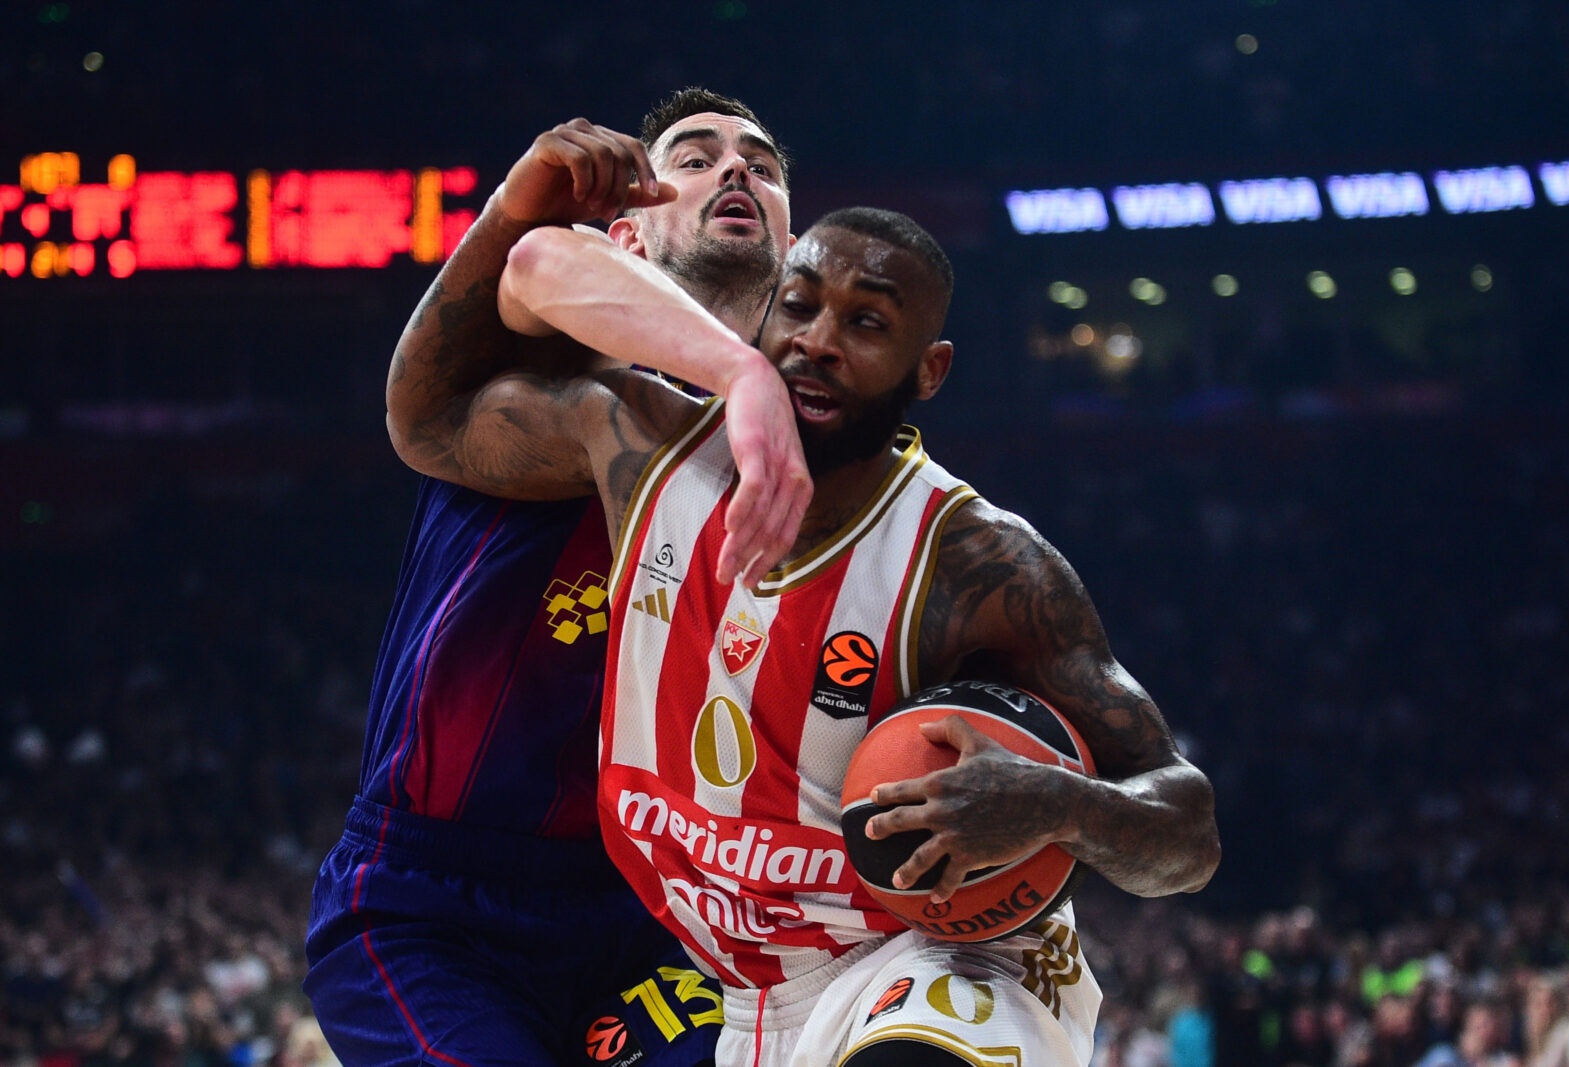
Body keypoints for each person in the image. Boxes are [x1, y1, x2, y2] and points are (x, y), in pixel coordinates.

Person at [491, 206, 1221, 1065]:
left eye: (867, 322)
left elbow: (1189, 834)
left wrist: (1058, 802)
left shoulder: (980, 564)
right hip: (745, 994)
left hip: (943, 957)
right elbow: (424, 410)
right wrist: (515, 208)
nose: (820, 342)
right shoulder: (645, 451)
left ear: (929, 368)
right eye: (799, 307)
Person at [303, 88, 811, 1067]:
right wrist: (740, 374)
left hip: (661, 901)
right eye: (695, 157)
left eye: (761, 163)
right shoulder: (551, 364)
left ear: (793, 250)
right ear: (628, 234)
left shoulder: (816, 444)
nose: (736, 168)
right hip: (440, 907)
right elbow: (542, 261)